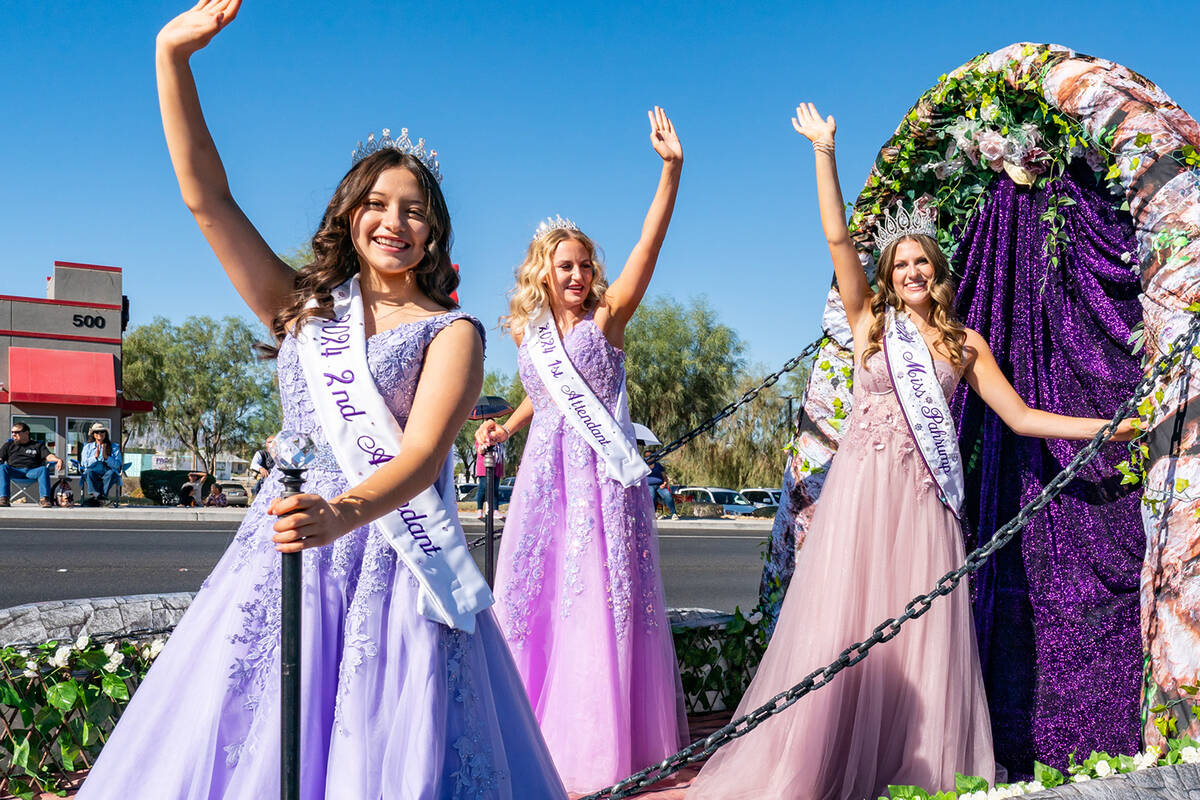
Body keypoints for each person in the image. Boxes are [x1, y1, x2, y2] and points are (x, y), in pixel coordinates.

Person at [77, 3, 565, 798]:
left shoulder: (454, 332)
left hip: (390, 560)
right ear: (350, 212)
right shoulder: (305, 309)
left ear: (434, 232)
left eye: (414, 210)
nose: (394, 222)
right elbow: (209, 200)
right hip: (283, 548)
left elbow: (420, 457)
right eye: (378, 204)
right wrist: (173, 59)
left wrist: (343, 512)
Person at [686, 103, 1138, 800]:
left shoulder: (964, 344)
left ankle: (910, 769)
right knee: (845, 627)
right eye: (901, 264)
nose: (911, 272)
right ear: (890, 275)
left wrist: (1106, 427)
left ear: (939, 270)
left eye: (921, 261)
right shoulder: (871, 325)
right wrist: (824, 154)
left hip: (925, 506)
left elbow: (1020, 418)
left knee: (916, 636)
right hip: (861, 500)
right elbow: (838, 239)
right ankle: (819, 762)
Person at [475, 107, 687, 792]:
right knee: (540, 601)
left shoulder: (609, 318)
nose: (575, 273)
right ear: (544, 271)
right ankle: (531, 732)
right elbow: (546, 396)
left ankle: (600, 750)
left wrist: (670, 172)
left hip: (602, 478)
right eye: (563, 265)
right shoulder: (525, 336)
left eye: (583, 263)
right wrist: (506, 426)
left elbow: (648, 250)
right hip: (545, 478)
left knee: (599, 598)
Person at [0, 422, 62, 508]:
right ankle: (4, 498)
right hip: (15, 471)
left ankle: (44, 499)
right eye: (12, 432)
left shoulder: (37, 445)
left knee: (43, 469)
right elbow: (0, 458)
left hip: (32, 472)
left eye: (17, 432)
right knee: (3, 467)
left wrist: (58, 459)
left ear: (26, 433)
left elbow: (48, 456)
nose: (14, 434)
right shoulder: (9, 445)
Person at [80, 422, 123, 507]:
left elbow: (118, 465)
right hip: (93, 472)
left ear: (105, 433)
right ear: (93, 434)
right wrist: (95, 457)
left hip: (108, 472)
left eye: (102, 431)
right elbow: (84, 463)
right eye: (96, 432)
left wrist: (106, 457)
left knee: (111, 473)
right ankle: (100, 498)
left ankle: (97, 499)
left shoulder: (114, 447)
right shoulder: (87, 447)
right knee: (88, 472)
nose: (99, 434)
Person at [473, 438, 504, 520]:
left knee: (495, 490)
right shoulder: (481, 440)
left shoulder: (499, 443)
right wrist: (485, 445)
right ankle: (479, 509)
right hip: (484, 468)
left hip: (496, 469)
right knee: (483, 488)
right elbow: (480, 451)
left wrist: (502, 471)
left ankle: (495, 510)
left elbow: (501, 456)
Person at [644, 450, 677, 519]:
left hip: (660, 485)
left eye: (650, 456)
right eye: (647, 456)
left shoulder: (658, 465)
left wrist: (664, 484)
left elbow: (664, 477)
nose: (649, 457)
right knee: (651, 497)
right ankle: (653, 513)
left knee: (667, 495)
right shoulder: (643, 466)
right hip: (649, 486)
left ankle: (674, 513)